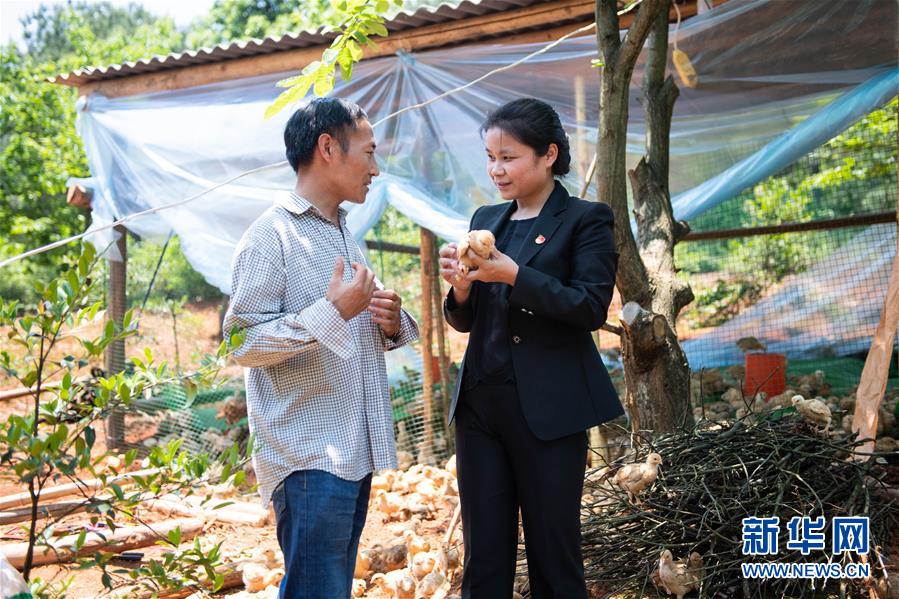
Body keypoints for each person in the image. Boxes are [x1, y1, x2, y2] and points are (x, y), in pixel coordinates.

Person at [224, 97, 418, 598]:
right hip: (307, 457)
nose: (375, 169)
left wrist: (391, 321)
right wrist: (333, 313)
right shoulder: (272, 235)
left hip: (350, 449)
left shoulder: (345, 235)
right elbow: (240, 341)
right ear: (328, 148)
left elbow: (353, 324)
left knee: (327, 589)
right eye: (369, 153)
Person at [439, 98, 623, 598]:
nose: (496, 169)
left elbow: (589, 307)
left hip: (549, 408)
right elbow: (465, 319)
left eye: (509, 156)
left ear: (548, 154)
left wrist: (514, 274)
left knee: (552, 552)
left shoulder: (586, 219)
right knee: (484, 557)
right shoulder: (487, 218)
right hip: (481, 405)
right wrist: (460, 287)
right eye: (490, 156)